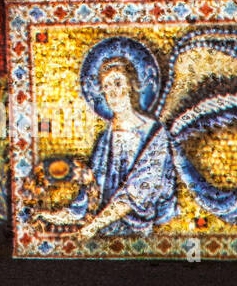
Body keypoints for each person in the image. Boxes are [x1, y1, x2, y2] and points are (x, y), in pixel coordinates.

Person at [38, 56, 178, 236]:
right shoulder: (106, 136)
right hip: (103, 227)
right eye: (107, 86)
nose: (112, 92)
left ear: (130, 85)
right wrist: (66, 215)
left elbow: (137, 192)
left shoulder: (155, 134)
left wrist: (94, 226)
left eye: (118, 83)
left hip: (136, 231)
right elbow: (93, 189)